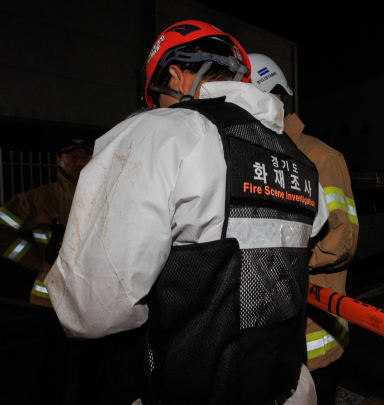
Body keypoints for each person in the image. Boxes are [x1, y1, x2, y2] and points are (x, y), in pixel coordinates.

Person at [45, 21, 328, 405]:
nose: (154, 109)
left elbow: (92, 309)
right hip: (287, 387)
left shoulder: (165, 132)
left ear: (176, 77)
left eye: (154, 99)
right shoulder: (299, 161)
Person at [249, 53, 358, 405]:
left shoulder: (320, 157)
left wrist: (292, 260)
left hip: (315, 342)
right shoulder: (256, 157)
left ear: (276, 98)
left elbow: (343, 239)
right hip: (268, 340)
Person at [0, 140, 101, 403]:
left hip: (95, 296)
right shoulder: (41, 198)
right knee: (53, 363)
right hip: (52, 297)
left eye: (85, 155)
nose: (80, 161)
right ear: (59, 160)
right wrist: (36, 261)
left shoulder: (105, 195)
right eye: (73, 155)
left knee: (94, 364)